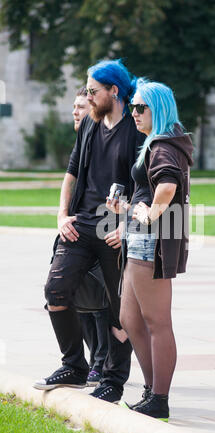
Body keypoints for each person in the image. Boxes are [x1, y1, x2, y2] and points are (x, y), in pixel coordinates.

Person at [33, 59, 144, 404]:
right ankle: (75, 366)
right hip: (81, 223)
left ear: (114, 91)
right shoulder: (90, 126)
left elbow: (146, 187)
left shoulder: (136, 131)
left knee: (118, 310)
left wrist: (127, 226)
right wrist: (62, 213)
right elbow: (71, 172)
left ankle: (112, 380)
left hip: (115, 226)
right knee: (56, 289)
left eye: (94, 91)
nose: (89, 98)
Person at [106, 78, 193, 421]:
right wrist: (127, 209)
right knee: (129, 318)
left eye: (141, 107)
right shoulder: (156, 143)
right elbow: (152, 190)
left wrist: (153, 211)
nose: (134, 113)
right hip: (140, 237)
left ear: (158, 109)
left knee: (157, 321)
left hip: (151, 243)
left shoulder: (163, 146)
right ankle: (152, 390)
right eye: (132, 107)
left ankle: (159, 397)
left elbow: (168, 185)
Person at [72, 86, 109, 386]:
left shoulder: (106, 139)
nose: (76, 112)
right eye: (74, 107)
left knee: (100, 301)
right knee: (76, 296)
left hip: (103, 227)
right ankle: (91, 359)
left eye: (81, 107)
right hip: (77, 225)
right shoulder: (82, 142)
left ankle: (102, 361)